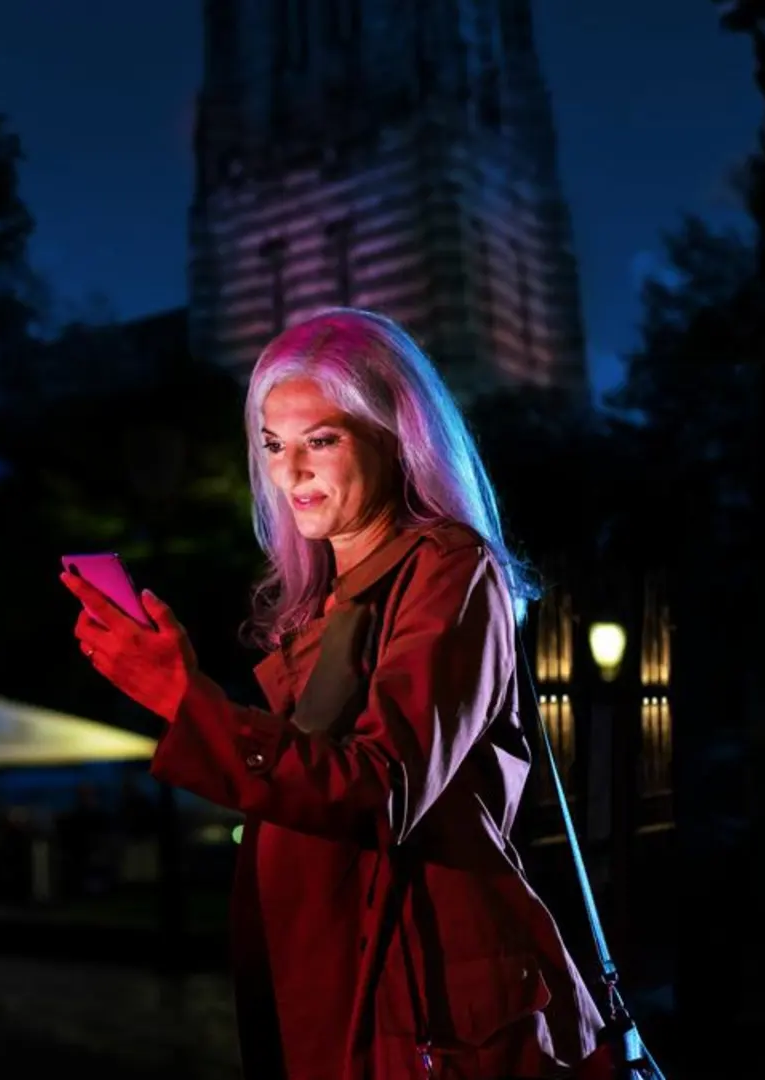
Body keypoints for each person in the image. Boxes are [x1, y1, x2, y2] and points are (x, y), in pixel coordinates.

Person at [61, 308, 608, 1080]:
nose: (291, 474)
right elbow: (302, 796)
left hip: (432, 1006)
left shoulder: (449, 568)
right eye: (273, 446)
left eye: (322, 440)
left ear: (396, 434)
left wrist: (189, 704)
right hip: (350, 988)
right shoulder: (327, 604)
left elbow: (376, 789)